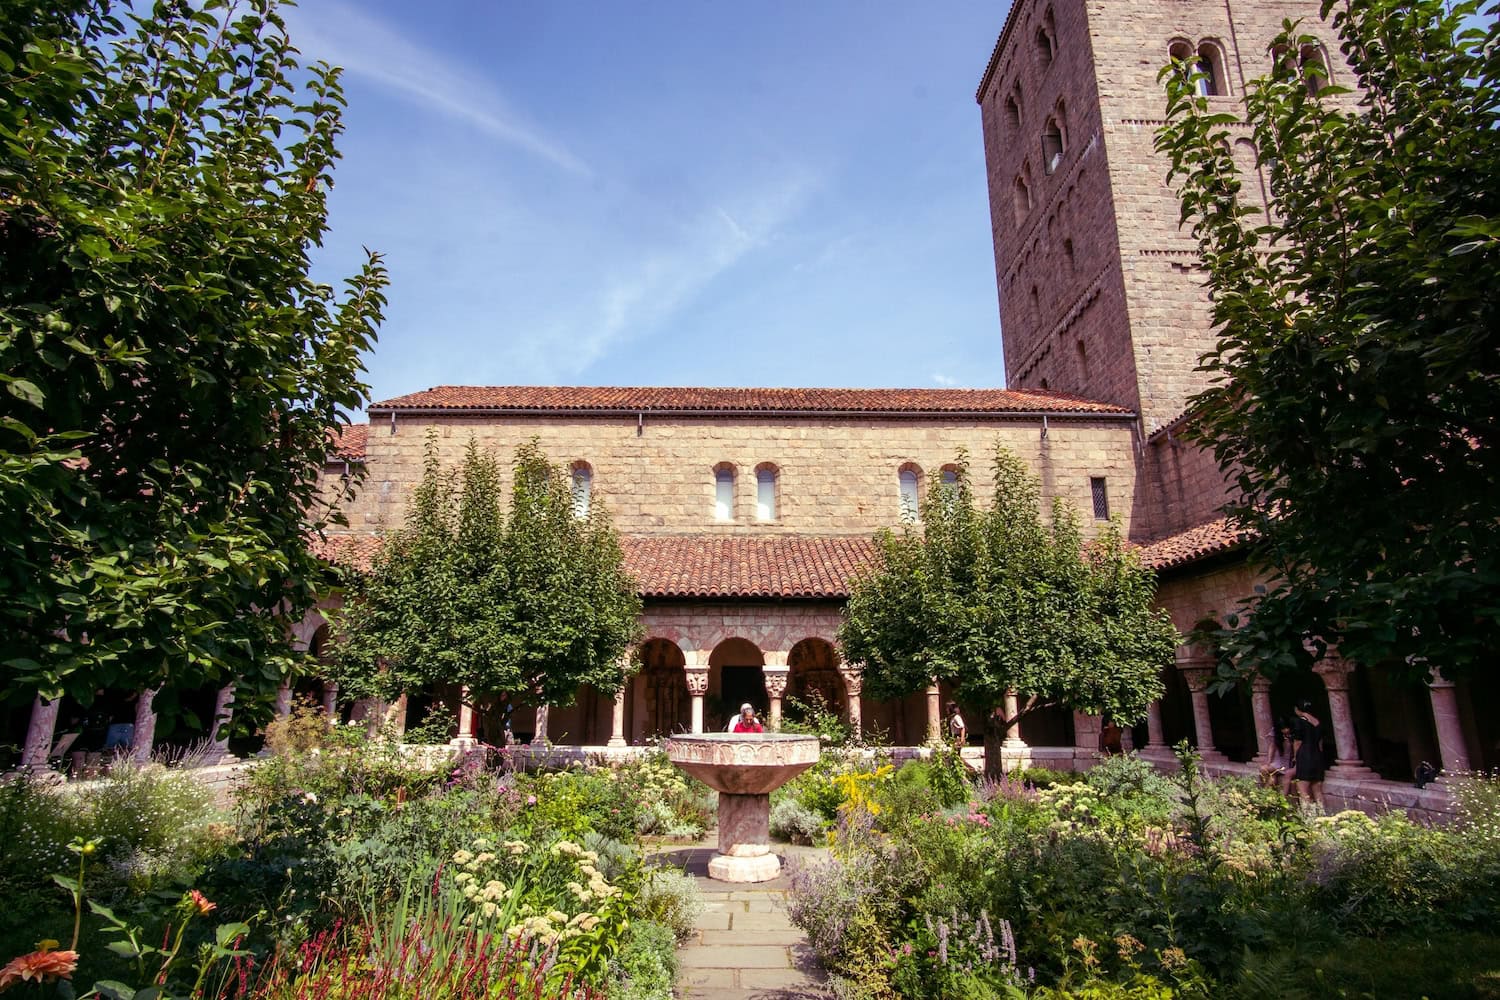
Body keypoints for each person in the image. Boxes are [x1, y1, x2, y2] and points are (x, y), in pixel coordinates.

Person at [1291, 699, 1327, 811]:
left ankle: (1308, 818)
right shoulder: (1318, 723)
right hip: (1317, 756)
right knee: (1317, 789)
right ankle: (1322, 815)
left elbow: (1297, 742)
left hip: (1305, 756)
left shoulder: (1299, 722)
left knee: (1302, 789)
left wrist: (1295, 757)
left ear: (1297, 709)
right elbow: (1320, 743)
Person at [1262, 719, 1295, 795]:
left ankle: (1263, 795)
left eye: (1287, 728)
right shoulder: (1277, 736)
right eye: (1283, 729)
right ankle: (1272, 781)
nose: (1285, 730)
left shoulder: (1293, 735)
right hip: (1276, 761)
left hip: (1285, 763)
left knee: (1264, 769)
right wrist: (1269, 761)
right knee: (1267, 774)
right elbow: (1272, 747)